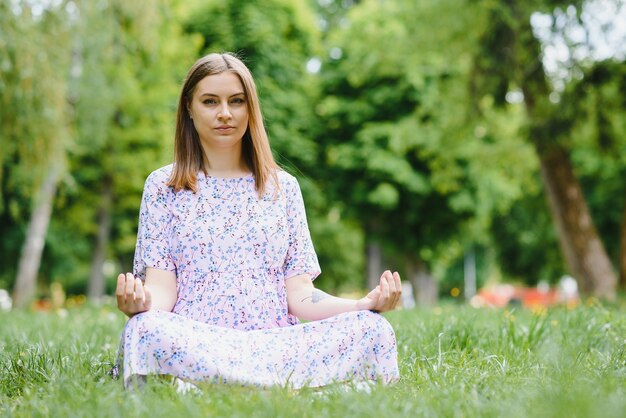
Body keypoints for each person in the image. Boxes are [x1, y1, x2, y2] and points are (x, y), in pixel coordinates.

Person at [114, 52, 402, 390]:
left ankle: (215, 385)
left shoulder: (283, 189)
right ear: (189, 109)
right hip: (197, 345)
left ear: (250, 109)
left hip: (276, 346)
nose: (225, 113)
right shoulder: (163, 187)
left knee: (374, 327)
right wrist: (141, 304)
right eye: (210, 101)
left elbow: (301, 295)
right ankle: (277, 386)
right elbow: (162, 291)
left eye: (236, 101)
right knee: (143, 329)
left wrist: (361, 305)